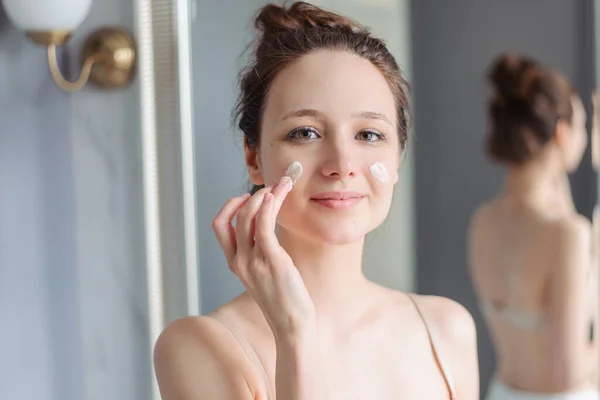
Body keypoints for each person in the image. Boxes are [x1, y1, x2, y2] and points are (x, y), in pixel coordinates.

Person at [154, 2, 479, 399]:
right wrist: (294, 331)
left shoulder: (446, 329)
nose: (342, 165)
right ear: (254, 158)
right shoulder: (200, 348)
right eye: (305, 133)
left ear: (397, 159)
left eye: (369, 135)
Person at [468, 53, 599, 400]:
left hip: (502, 391)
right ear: (563, 134)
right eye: (583, 127)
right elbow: (567, 373)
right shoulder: (567, 234)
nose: (585, 140)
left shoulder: (484, 220)